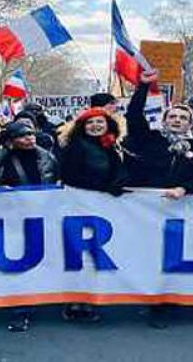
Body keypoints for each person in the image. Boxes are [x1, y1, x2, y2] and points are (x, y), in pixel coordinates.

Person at [125, 71, 193, 329]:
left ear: (190, 124)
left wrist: (184, 188)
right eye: (173, 116)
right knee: (149, 255)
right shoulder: (150, 141)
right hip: (147, 211)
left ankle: (166, 303)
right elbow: (133, 116)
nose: (177, 120)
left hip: (180, 213)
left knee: (172, 259)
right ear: (164, 121)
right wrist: (143, 86)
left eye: (183, 118)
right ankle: (150, 297)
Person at [0, 121, 58, 333]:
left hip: (42, 216)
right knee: (19, 265)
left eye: (31, 134)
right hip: (11, 218)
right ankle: (20, 310)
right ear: (11, 141)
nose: (29, 138)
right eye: (23, 136)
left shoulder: (47, 158)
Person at [56, 107, 130, 323]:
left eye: (100, 122)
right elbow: (71, 176)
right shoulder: (76, 147)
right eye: (90, 123)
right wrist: (105, 187)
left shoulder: (111, 145)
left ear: (108, 124)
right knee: (78, 255)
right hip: (79, 206)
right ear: (82, 127)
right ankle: (73, 301)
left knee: (93, 257)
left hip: (101, 209)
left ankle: (87, 299)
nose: (95, 126)